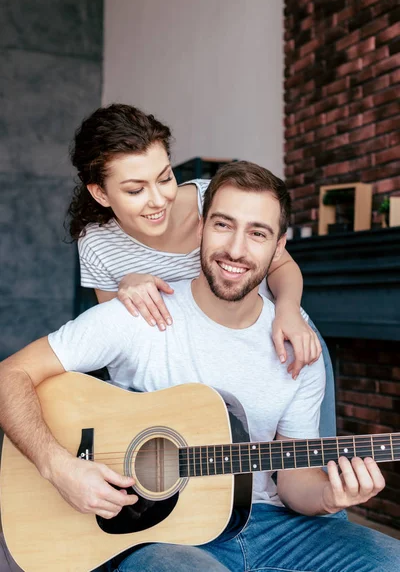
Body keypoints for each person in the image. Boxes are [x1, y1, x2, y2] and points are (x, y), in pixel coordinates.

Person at [0, 162, 398, 572]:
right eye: (223, 225)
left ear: (279, 248)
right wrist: (58, 466)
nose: (237, 250)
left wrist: (330, 497)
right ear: (201, 228)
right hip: (162, 537)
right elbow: (9, 375)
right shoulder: (138, 315)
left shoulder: (298, 345)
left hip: (273, 526)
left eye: (257, 233)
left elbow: (294, 482)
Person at [67, 103, 322, 379]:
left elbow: (281, 265)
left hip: (277, 345)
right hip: (193, 369)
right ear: (101, 194)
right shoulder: (96, 242)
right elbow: (115, 332)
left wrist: (289, 312)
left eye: (165, 178)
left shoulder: (212, 203)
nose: (158, 200)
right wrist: (124, 288)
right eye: (136, 189)